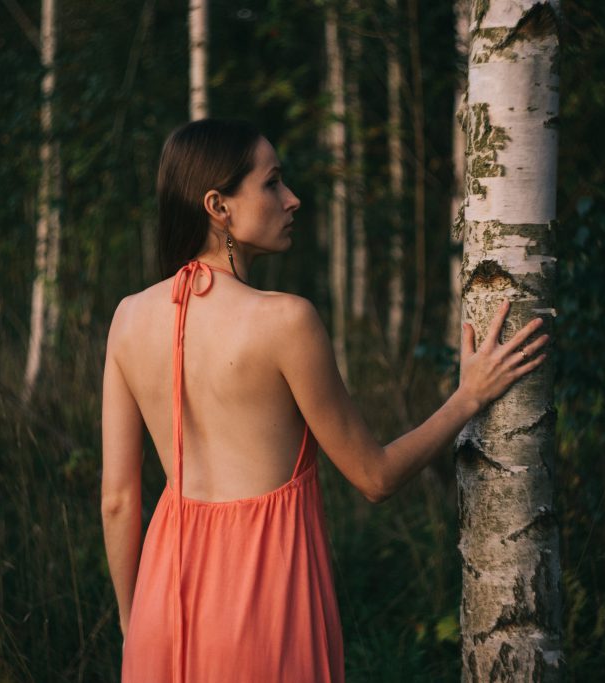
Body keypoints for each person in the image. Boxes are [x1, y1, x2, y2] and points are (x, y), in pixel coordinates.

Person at [100, 119, 548, 682]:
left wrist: (130, 620)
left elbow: (118, 500)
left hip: (162, 608)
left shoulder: (127, 318)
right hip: (265, 604)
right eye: (272, 183)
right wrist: (469, 397)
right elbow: (375, 477)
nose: (292, 199)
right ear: (218, 205)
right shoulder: (286, 320)